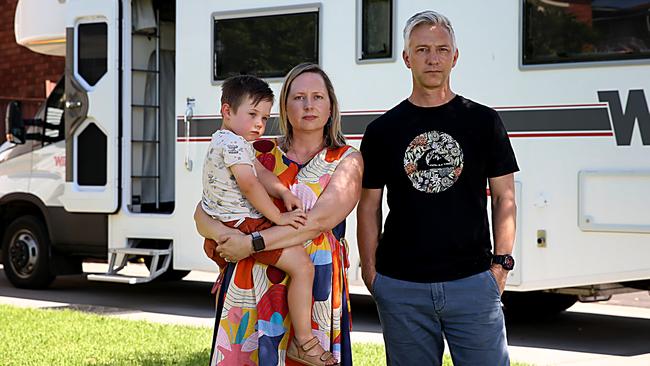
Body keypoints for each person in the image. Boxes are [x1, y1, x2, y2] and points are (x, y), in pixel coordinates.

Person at [357, 10, 519, 366]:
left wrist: (500, 266)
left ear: (455, 57)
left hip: (474, 283)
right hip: (401, 287)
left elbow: (505, 198)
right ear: (406, 58)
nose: (433, 59)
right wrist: (371, 273)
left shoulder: (483, 121)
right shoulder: (383, 130)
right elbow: (368, 206)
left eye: (442, 50)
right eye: (423, 50)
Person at [195, 63, 363, 366]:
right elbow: (204, 212)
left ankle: (304, 342)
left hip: (314, 284)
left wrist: (249, 244)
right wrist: (225, 235)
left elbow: (317, 223)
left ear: (331, 106)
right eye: (298, 97)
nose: (309, 105)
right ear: (284, 107)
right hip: (250, 284)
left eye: (317, 97)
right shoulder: (255, 150)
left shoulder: (346, 160)